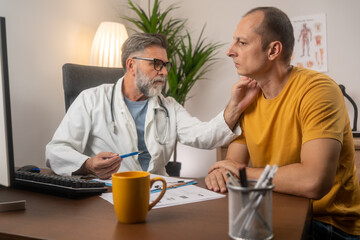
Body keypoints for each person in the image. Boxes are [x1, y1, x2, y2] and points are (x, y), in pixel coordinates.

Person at [205, 7, 360, 239]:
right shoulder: (249, 97)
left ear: (273, 50)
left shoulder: (318, 90)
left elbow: (313, 181)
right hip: (276, 213)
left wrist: (240, 172)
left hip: (328, 224)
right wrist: (220, 173)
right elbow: (230, 165)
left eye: (242, 43)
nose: (230, 51)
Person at [46, 33, 259, 180]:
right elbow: (56, 151)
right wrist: (89, 164)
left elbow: (205, 136)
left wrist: (235, 105)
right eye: (156, 64)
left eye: (165, 65)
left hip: (159, 192)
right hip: (107, 194)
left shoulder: (168, 107)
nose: (164, 72)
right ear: (131, 65)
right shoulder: (91, 100)